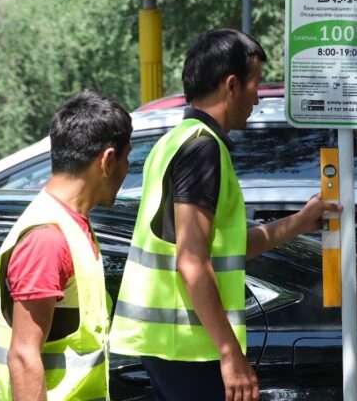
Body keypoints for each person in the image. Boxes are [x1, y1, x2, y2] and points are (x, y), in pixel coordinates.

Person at [109, 29, 339, 401]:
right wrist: (230, 352)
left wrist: (298, 222)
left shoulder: (174, 141)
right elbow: (191, 261)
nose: (257, 99)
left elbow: (224, 249)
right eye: (256, 85)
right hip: (189, 345)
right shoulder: (203, 149)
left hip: (170, 344)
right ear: (231, 85)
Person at [0, 90, 133, 400]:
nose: (127, 169)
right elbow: (24, 358)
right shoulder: (47, 239)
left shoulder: (71, 224)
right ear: (107, 160)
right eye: (126, 157)